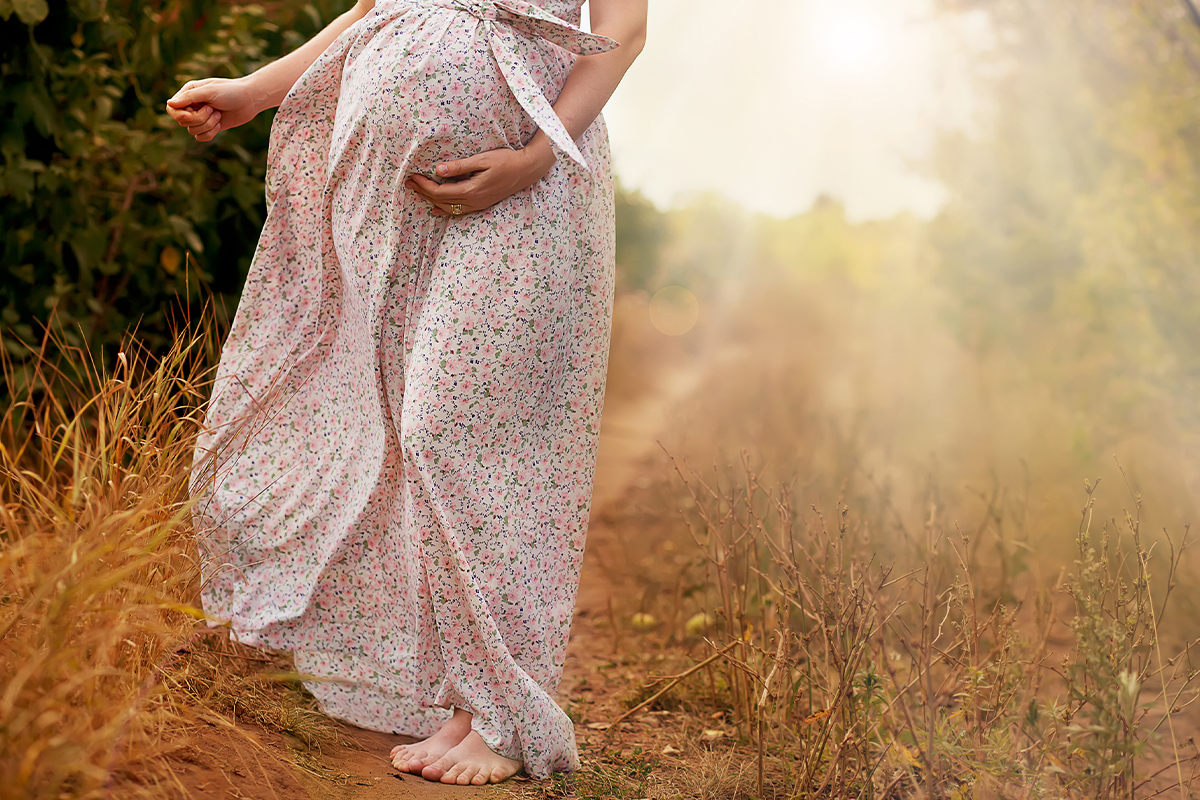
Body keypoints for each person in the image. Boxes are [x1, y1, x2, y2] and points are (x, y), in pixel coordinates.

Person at [167, 0, 645, 786]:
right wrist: (255, 90)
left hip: (527, 185)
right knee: (381, 420)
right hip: (385, 199)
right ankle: (470, 702)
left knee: (455, 429)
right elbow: (371, 10)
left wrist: (535, 154)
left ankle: (504, 714)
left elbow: (628, 27)